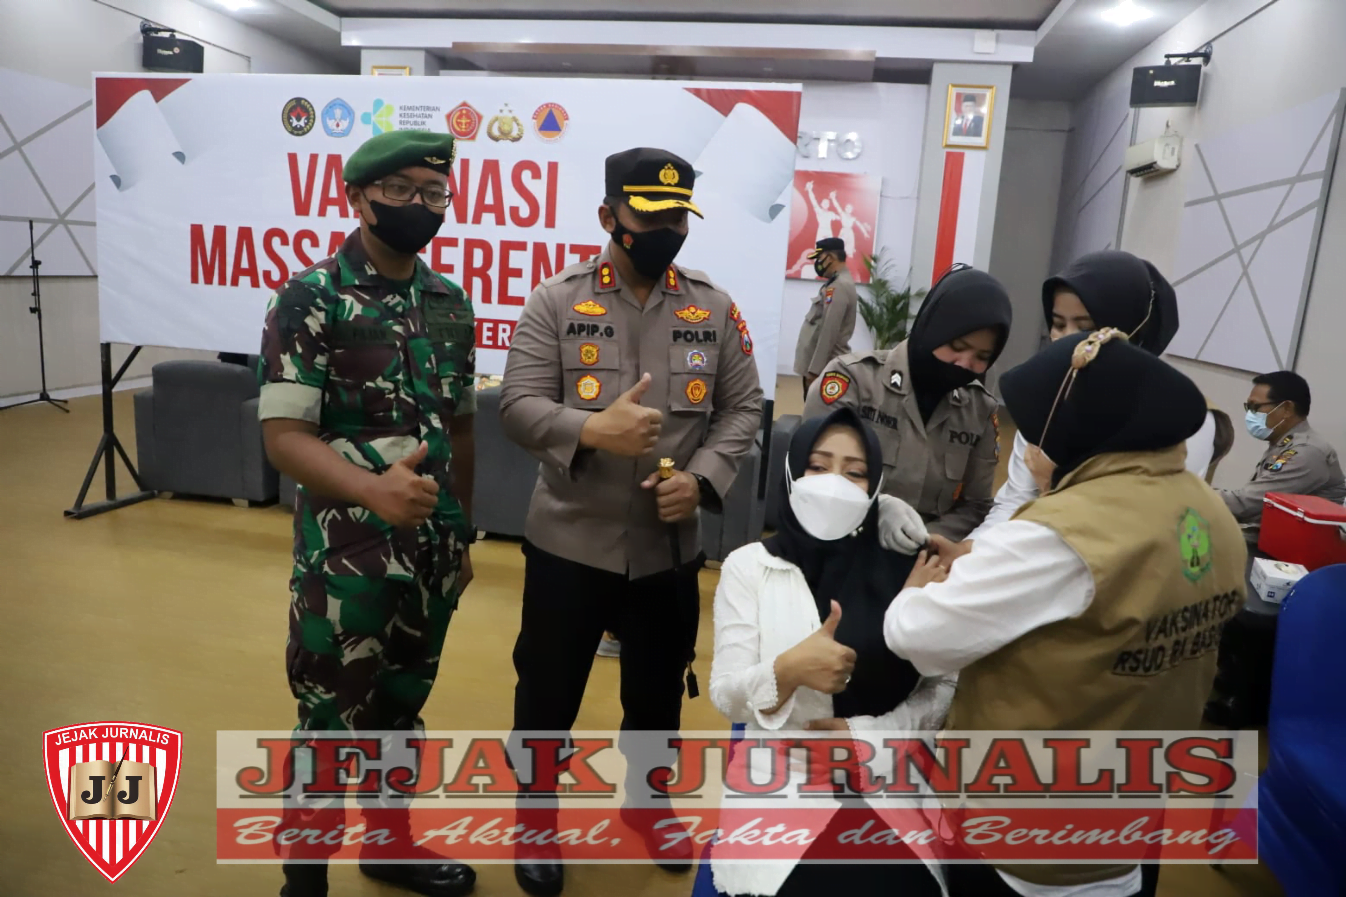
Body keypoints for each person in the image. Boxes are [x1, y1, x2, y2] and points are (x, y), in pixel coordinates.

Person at [884, 329, 1247, 897]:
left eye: (1035, 438)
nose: (1027, 454)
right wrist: (984, 561)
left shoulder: (1060, 534)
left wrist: (916, 589)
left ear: (1077, 437)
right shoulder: (1208, 510)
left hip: (1022, 835)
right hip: (1129, 814)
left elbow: (918, 636)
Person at [499, 147, 764, 896]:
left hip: (667, 547)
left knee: (655, 692)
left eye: (678, 216)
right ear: (608, 216)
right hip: (570, 539)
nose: (666, 230)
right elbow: (517, 404)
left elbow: (743, 405)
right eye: (650, 216)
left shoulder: (712, 306)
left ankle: (648, 802)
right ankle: (535, 816)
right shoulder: (555, 301)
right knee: (547, 690)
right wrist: (590, 429)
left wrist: (703, 479)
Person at [257, 130, 478, 897]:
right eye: (401, 190)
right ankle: (304, 880)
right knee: (329, 720)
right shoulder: (310, 297)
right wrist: (371, 488)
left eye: (434, 192)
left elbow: (461, 427)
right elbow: (283, 436)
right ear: (357, 197)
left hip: (430, 554)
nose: (420, 204)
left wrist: (463, 532)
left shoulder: (450, 303)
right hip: (345, 559)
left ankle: (390, 845)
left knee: (401, 709)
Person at [708, 406, 951, 897]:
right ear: (791, 474)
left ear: (876, 487)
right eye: (818, 466)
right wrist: (787, 671)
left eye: (855, 473)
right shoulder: (749, 566)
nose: (834, 484)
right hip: (781, 774)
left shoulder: (908, 568)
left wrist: (870, 739)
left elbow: (944, 687)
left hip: (884, 774)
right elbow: (727, 695)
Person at [958, 250, 1235, 551]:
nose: (1068, 339)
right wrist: (969, 551)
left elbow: (1137, 535)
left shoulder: (1185, 421)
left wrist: (1054, 484)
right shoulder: (1048, 398)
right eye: (1058, 324)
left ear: (1131, 329)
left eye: (1086, 327)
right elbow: (1015, 503)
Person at [803, 264, 1012, 545]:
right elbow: (810, 478)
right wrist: (876, 512)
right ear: (932, 329)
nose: (965, 363)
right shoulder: (854, 381)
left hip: (927, 558)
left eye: (982, 356)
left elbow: (975, 506)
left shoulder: (979, 410)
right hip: (842, 543)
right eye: (958, 347)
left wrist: (925, 541)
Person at [1218, 370, 1345, 548]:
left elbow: (1245, 504)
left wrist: (1195, 492)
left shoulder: (1306, 452)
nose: (1250, 415)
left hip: (1294, 552)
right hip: (1272, 538)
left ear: (1286, 409)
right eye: (1248, 407)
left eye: (1255, 407)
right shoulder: (1284, 444)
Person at [793, 237, 858, 399]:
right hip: (822, 367)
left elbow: (829, 331)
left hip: (824, 369)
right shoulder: (836, 283)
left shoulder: (839, 286)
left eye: (820, 258)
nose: (817, 263)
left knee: (818, 411)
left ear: (830, 258)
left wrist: (814, 371)